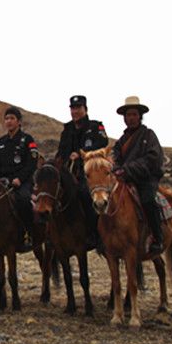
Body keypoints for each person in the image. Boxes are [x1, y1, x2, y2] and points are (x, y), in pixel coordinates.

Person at [111, 96, 165, 256]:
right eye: (128, 115)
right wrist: (117, 169)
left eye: (134, 114)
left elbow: (153, 159)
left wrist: (127, 170)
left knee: (148, 200)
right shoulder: (121, 141)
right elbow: (115, 158)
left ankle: (157, 238)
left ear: (140, 116)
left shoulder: (149, 136)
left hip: (146, 179)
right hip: (125, 180)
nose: (131, 118)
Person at [54, 94, 108, 249]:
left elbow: (103, 142)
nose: (75, 111)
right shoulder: (67, 130)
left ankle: (94, 234)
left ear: (85, 109)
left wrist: (81, 153)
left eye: (78, 108)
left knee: (84, 193)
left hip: (90, 173)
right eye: (73, 108)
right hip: (70, 173)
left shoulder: (96, 127)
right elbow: (61, 151)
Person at [0, 106, 38, 252]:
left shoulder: (27, 140)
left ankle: (29, 233)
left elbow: (32, 164)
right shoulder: (1, 142)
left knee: (23, 200)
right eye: (6, 118)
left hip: (22, 182)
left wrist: (20, 179)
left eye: (12, 118)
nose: (9, 121)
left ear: (19, 121)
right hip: (3, 182)